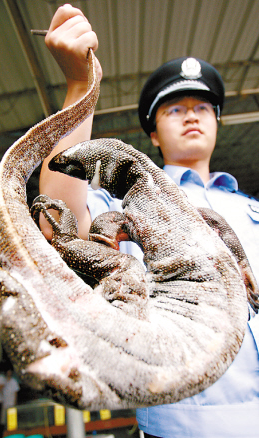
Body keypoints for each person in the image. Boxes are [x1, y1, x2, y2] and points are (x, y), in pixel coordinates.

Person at [39, 4, 259, 437]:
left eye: (202, 107)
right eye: (175, 110)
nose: (192, 114)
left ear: (217, 121)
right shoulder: (126, 201)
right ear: (154, 133)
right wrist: (81, 86)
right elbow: (56, 218)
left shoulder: (251, 209)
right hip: (182, 423)